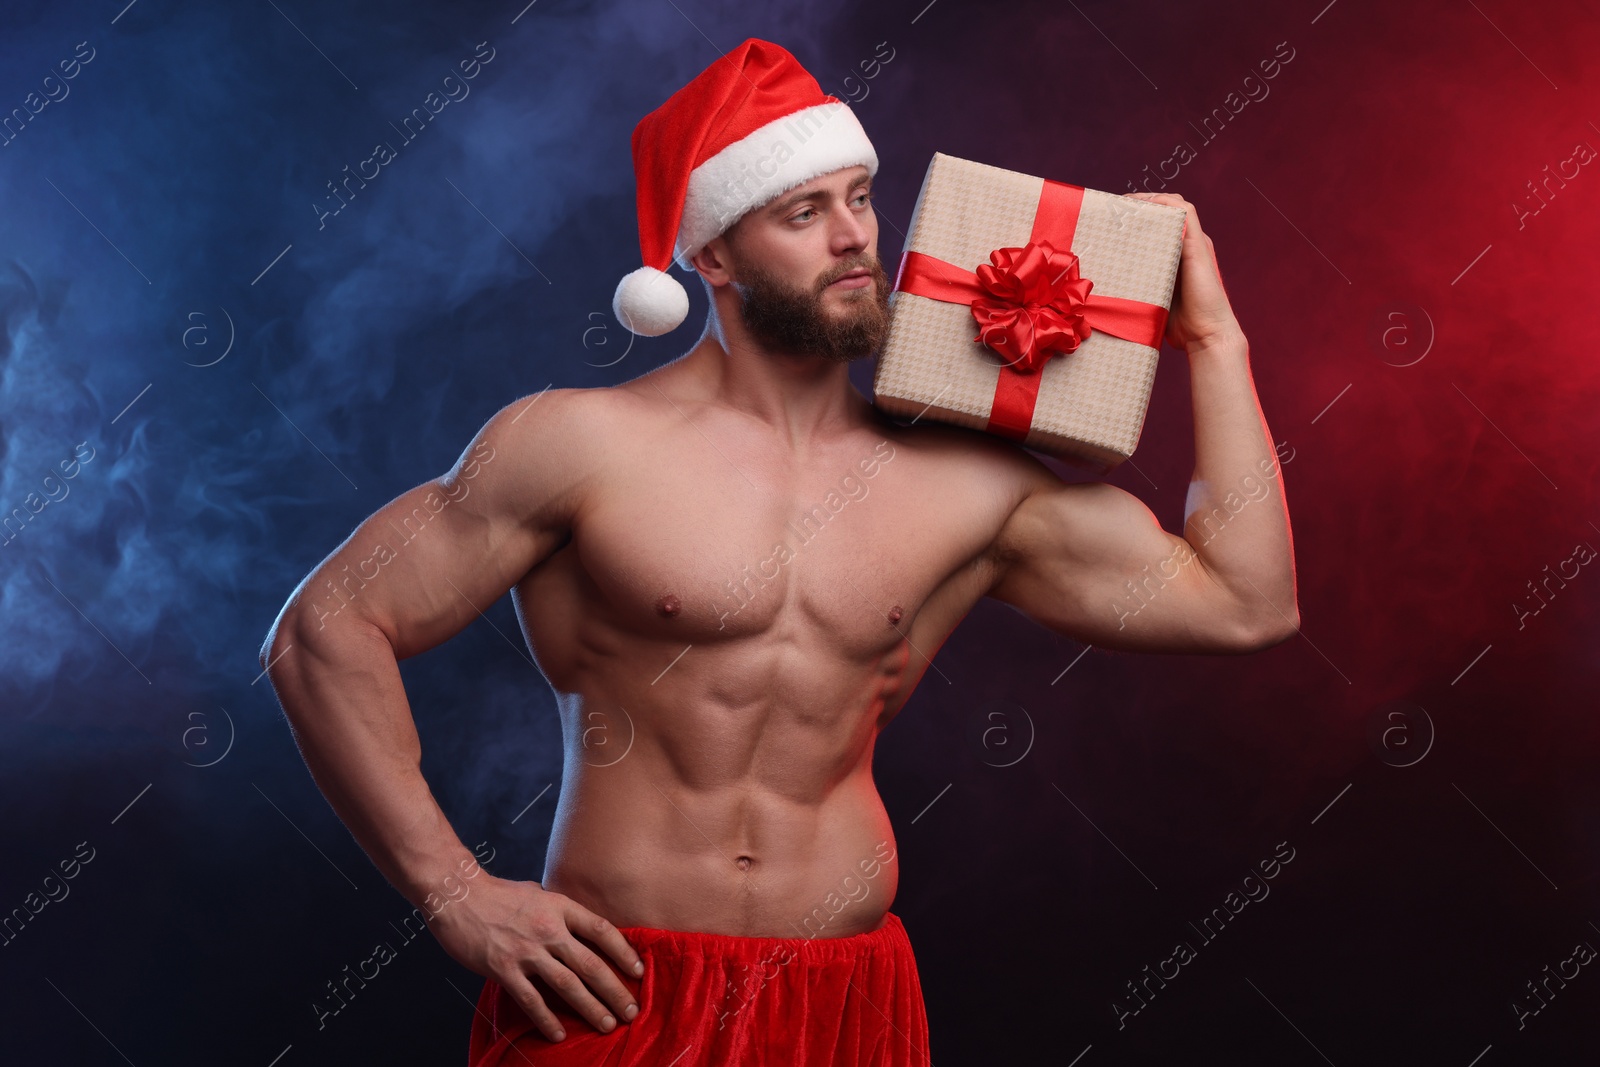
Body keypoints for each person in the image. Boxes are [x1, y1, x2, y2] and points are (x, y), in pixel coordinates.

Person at [261, 37, 1297, 1067]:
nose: (853, 238)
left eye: (860, 197)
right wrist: (455, 892)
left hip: (845, 999)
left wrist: (1212, 337)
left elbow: (1243, 600)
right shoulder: (579, 443)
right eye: (802, 213)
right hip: (622, 992)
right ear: (710, 254)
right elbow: (323, 631)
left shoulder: (965, 480)